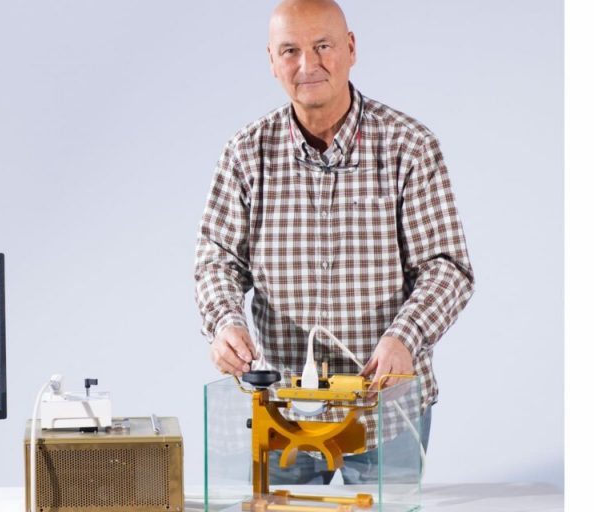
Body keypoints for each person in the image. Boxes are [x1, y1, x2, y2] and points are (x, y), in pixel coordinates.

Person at [194, 0, 474, 484]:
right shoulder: (245, 153)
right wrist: (224, 323)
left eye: (323, 46)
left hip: (386, 409)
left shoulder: (409, 146)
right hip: (283, 408)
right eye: (290, 50)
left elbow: (447, 266)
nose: (308, 64)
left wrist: (404, 338)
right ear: (271, 60)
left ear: (350, 48)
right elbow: (217, 261)